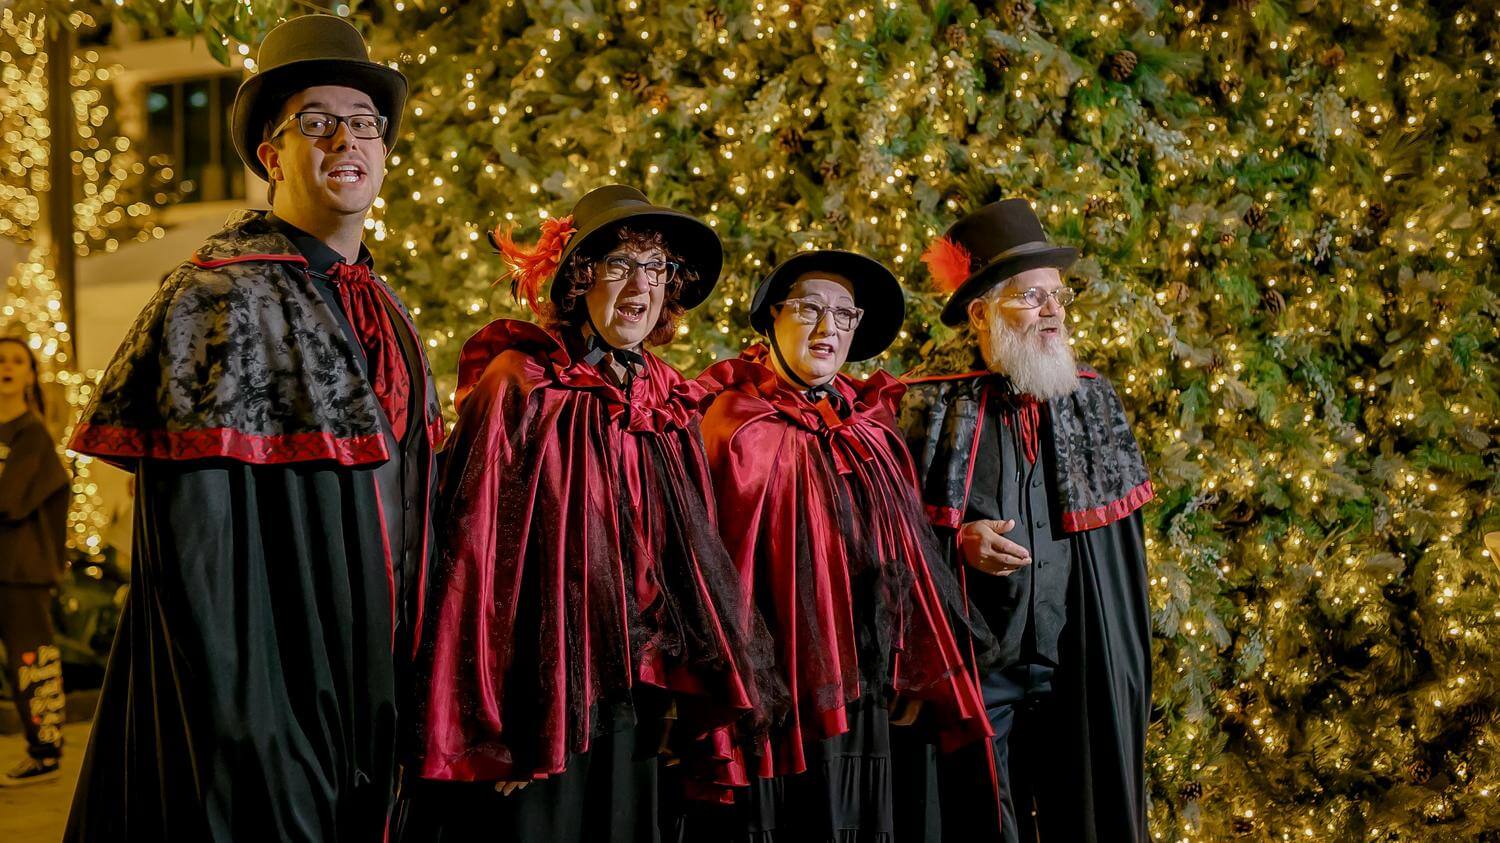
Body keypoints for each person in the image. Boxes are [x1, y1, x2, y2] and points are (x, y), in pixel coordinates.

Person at [63, 15, 443, 841]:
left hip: (381, 693)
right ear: (272, 156)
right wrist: (248, 723)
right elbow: (193, 546)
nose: (346, 138)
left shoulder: (385, 307)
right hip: (275, 705)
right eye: (316, 121)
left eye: (365, 123)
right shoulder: (217, 300)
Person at [398, 184, 778, 843]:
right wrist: (500, 723)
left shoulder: (664, 394)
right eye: (621, 264)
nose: (641, 285)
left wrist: (689, 694)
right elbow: (475, 560)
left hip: (643, 697)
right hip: (544, 703)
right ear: (581, 276)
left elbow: (690, 556)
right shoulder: (521, 380)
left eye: (655, 267)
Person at [681, 250, 995, 841]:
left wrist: (906, 668)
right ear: (773, 317)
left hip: (865, 698)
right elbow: (706, 566)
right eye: (808, 309)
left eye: (844, 315)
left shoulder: (872, 429)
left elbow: (907, 559)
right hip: (775, 702)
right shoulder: (732, 420)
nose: (828, 328)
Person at [902, 198, 1154, 842]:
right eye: (1031, 298)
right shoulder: (931, 409)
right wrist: (956, 540)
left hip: (1076, 665)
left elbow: (1119, 561)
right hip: (979, 675)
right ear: (982, 312)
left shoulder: (1092, 404)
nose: (1053, 312)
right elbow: (888, 536)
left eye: (1057, 298)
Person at [0, 337, 70, 787]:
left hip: (20, 572)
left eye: (17, 361)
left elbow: (9, 501)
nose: (6, 366)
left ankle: (45, 754)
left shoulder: (33, 435)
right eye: (0, 359)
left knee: (31, 661)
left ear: (30, 375)